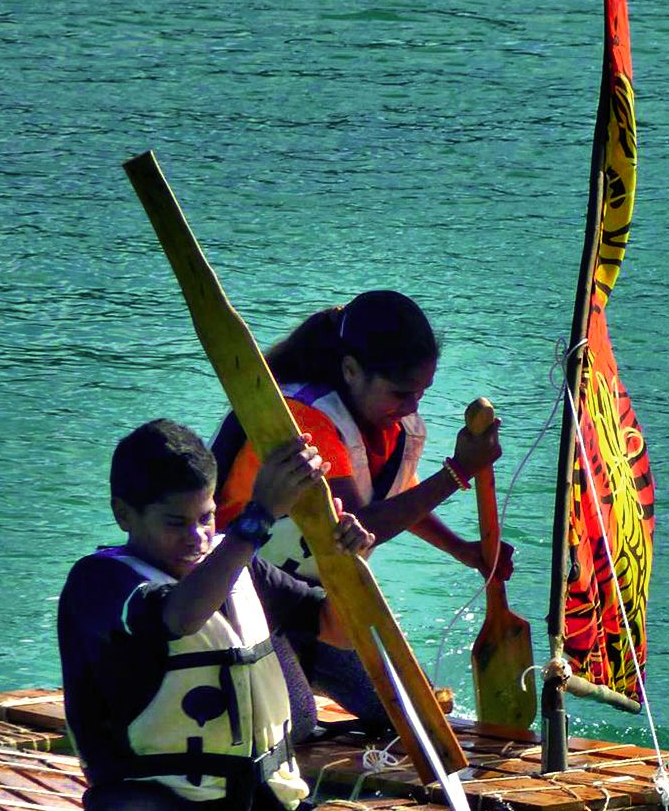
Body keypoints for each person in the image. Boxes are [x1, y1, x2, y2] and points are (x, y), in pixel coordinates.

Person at [58, 419, 457, 811]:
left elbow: (335, 629)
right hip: (162, 802)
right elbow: (180, 617)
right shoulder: (101, 583)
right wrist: (259, 517)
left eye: (205, 517)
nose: (198, 537)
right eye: (175, 523)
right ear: (124, 515)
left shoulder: (243, 568)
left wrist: (346, 564)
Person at [212, 288, 510, 722]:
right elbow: (361, 522)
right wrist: (457, 472)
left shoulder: (392, 426)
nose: (411, 407)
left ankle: (292, 670)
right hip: (238, 597)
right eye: (400, 393)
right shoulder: (304, 417)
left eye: (421, 394)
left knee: (411, 715)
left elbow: (395, 500)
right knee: (294, 722)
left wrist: (465, 551)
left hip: (311, 608)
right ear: (351, 371)